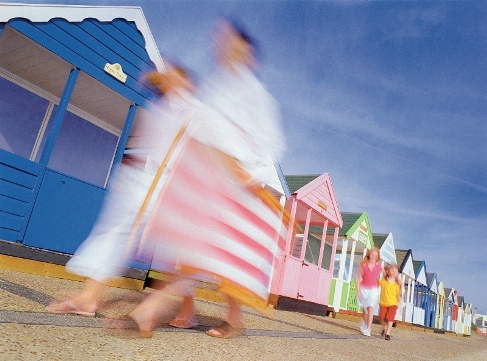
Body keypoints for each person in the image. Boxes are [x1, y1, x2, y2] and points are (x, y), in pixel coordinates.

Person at [45, 64, 201, 317]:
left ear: (186, 82)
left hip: (170, 187)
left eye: (174, 74)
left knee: (174, 248)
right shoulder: (159, 107)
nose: (166, 78)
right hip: (139, 179)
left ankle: (186, 307)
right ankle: (89, 297)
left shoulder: (193, 109)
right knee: (112, 232)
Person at [166, 19, 286, 338]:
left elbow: (272, 142)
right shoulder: (217, 86)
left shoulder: (255, 93)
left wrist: (254, 175)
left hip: (249, 180)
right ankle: (188, 309)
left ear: (246, 52)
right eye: (220, 38)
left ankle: (234, 319)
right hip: (218, 176)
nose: (220, 43)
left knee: (228, 249)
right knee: (186, 239)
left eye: (229, 39)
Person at [356, 247, 382, 336]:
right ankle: (365, 321)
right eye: (372, 255)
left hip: (374, 289)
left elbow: (385, 276)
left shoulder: (379, 266)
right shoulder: (363, 265)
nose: (373, 257)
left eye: (375, 255)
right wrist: (358, 290)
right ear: (369, 255)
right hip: (364, 289)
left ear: (377, 257)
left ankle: (368, 328)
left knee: (370, 307)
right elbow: (358, 278)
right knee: (365, 309)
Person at [379, 264, 402, 340]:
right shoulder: (383, 281)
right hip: (383, 302)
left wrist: (399, 303)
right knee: (382, 317)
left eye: (395, 270)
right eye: (391, 269)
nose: (393, 271)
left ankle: (387, 334)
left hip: (393, 304)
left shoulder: (397, 284)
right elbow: (376, 284)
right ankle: (384, 327)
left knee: (390, 318)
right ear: (387, 271)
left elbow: (399, 294)